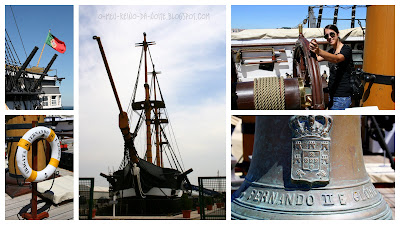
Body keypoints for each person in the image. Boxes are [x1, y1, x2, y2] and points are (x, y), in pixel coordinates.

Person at [309, 24, 353, 110]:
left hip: (342, 97)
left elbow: (336, 59)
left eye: (332, 34)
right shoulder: (331, 51)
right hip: (332, 94)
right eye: (326, 36)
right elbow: (317, 58)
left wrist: (319, 50)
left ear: (338, 34)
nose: (329, 37)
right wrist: (311, 47)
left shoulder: (346, 49)